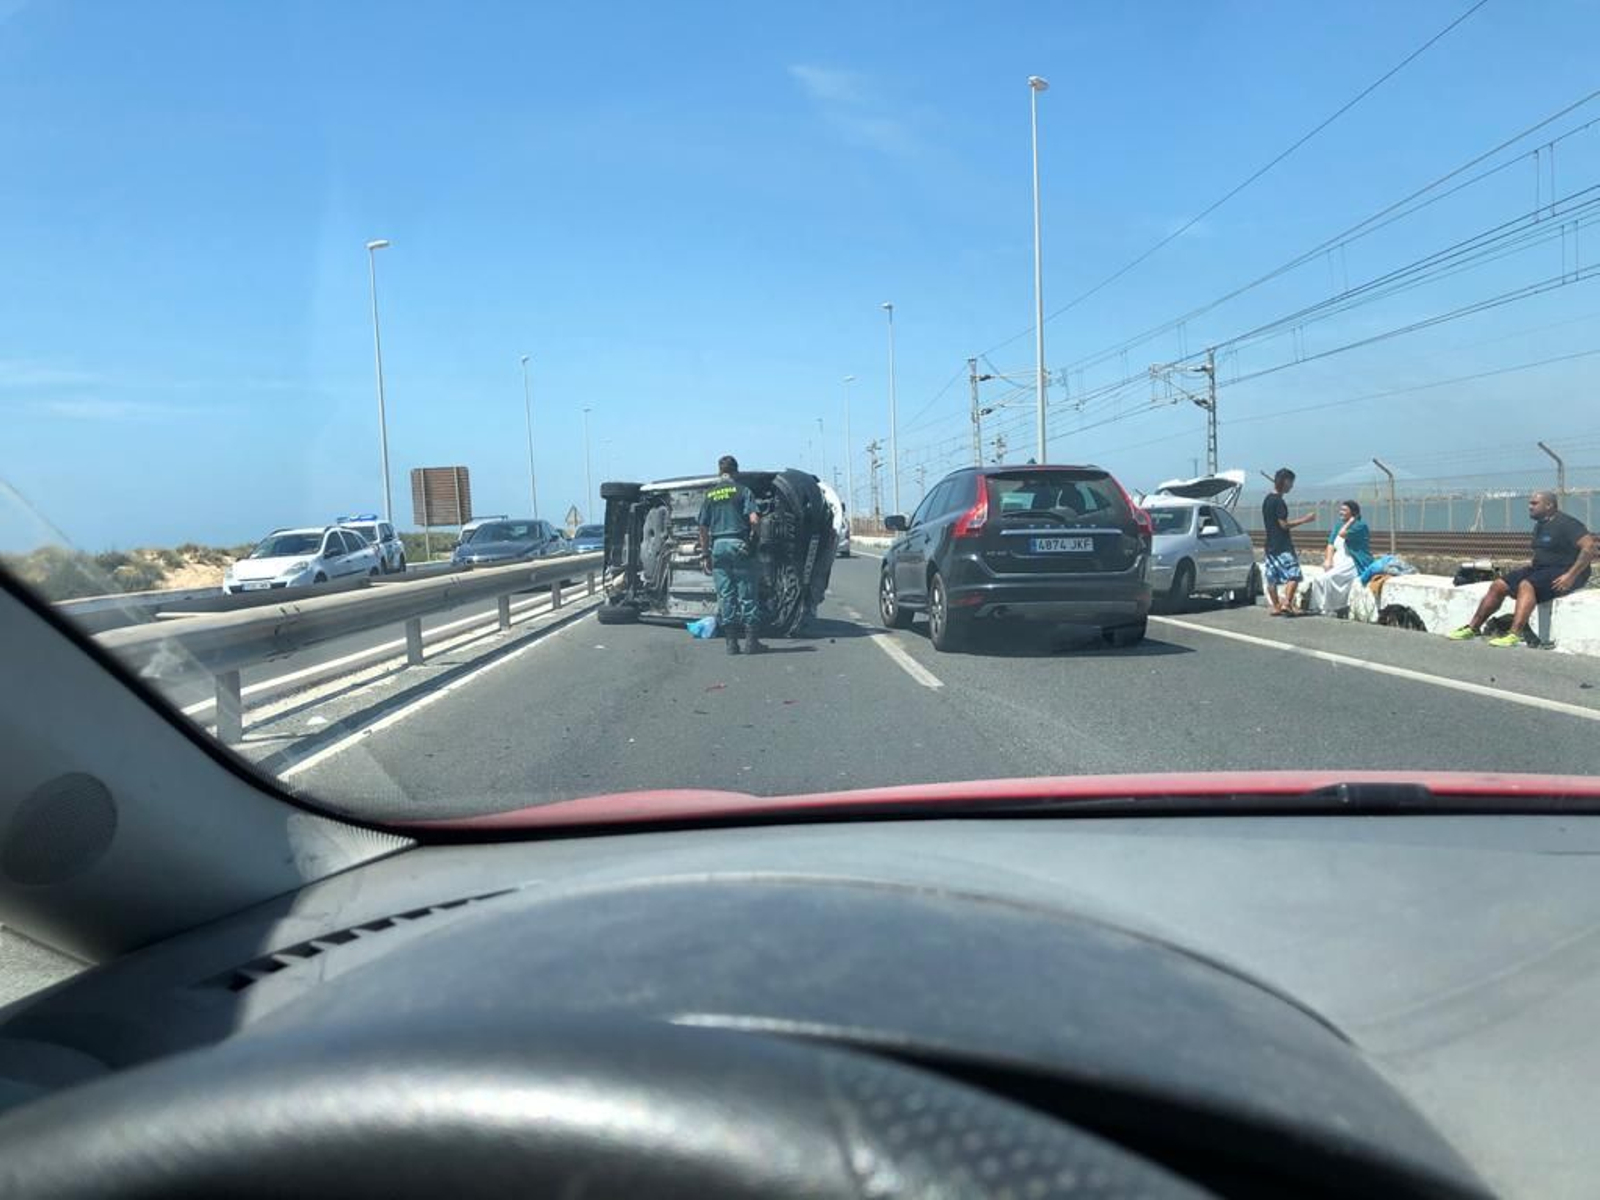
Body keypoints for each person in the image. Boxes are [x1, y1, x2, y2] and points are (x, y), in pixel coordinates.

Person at [1448, 490, 1596, 647]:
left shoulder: (1567, 523)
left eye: (1534, 503)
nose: (1530, 507)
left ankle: (1514, 634)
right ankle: (1473, 628)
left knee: (1526, 585)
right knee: (1499, 585)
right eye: (1530, 503)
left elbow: (1590, 548)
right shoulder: (1540, 525)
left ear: (1549, 505)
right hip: (1541, 569)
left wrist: (1571, 576)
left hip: (1567, 572)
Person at [697, 455, 764, 655]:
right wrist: (753, 540)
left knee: (726, 595)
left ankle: (731, 644)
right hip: (739, 545)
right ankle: (751, 643)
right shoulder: (743, 491)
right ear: (736, 472)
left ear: (719, 472)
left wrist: (706, 554)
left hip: (718, 547)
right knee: (747, 594)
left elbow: (702, 527)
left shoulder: (710, 495)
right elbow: (754, 519)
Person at [1261, 468, 1317, 616]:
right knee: (1294, 574)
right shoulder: (1279, 502)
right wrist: (1306, 519)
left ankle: (1276, 606)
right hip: (1282, 545)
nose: (1291, 486)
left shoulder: (1267, 499)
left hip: (1269, 544)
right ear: (1285, 481)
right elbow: (1283, 525)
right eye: (1291, 483)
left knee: (1271, 577)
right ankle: (1287, 603)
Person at [1307, 499, 1373, 615]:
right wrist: (1328, 560)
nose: (1340, 512)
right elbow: (1330, 544)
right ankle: (1318, 607)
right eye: (1341, 509)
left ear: (1353, 513)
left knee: (1328, 579)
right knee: (1319, 579)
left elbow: (1342, 534)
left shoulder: (1360, 526)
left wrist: (1351, 521)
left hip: (1352, 561)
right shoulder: (1338, 525)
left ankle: (1330, 608)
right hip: (1338, 559)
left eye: (1344, 510)